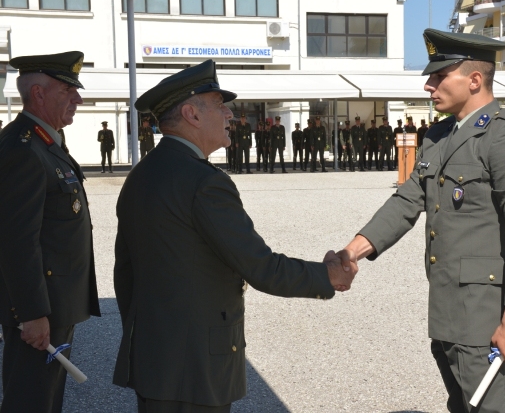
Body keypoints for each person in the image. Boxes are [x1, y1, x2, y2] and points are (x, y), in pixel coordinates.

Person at [113, 60, 356, 413]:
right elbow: (260, 267)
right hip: (194, 367)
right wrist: (328, 276)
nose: (229, 113)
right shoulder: (204, 182)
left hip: (155, 358)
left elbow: (125, 273)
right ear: (191, 115)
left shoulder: (144, 173)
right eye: (219, 104)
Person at [338, 29, 505, 413]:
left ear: (474, 80)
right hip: (448, 310)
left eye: (439, 76)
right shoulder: (439, 136)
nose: (428, 85)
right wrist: (352, 251)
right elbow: (407, 200)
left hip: (487, 318)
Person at [0, 51, 101, 413]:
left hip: (54, 306)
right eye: (68, 90)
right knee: (30, 401)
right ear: (39, 94)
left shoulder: (46, 142)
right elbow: (16, 241)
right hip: (39, 311)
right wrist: (31, 313)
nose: (78, 99)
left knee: (45, 400)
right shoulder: (23, 149)